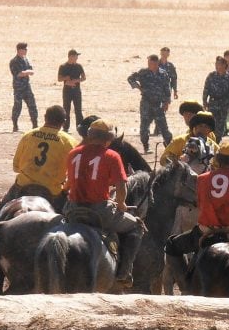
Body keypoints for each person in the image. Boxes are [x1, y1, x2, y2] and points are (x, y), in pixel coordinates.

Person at [164, 140, 229, 278]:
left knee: (172, 245)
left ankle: (184, 284)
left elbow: (198, 202)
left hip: (204, 232)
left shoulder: (201, 180)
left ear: (218, 161)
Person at [64, 119, 143, 288]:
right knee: (136, 226)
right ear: (109, 139)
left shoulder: (73, 153)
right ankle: (124, 272)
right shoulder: (112, 156)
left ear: (89, 136)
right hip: (99, 211)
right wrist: (120, 204)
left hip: (72, 209)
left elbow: (69, 184)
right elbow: (121, 186)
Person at [128, 54, 173, 153]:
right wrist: (139, 87)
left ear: (156, 63)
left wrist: (167, 102)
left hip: (158, 104)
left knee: (163, 126)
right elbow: (130, 79)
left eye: (152, 63)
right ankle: (146, 146)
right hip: (146, 103)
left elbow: (167, 88)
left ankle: (169, 147)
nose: (150, 65)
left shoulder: (163, 74)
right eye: (149, 63)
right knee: (144, 126)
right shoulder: (143, 72)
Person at [202, 56, 229, 138]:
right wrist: (204, 102)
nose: (217, 66)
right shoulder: (211, 75)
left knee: (220, 128)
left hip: (223, 106)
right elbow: (206, 89)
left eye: (219, 64)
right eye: (216, 64)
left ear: (224, 65)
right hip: (212, 104)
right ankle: (209, 144)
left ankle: (217, 143)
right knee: (210, 125)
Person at [9, 42, 39, 132]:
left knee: (32, 105)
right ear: (19, 50)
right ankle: (15, 125)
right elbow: (18, 74)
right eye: (24, 49)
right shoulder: (14, 61)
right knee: (18, 106)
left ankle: (35, 124)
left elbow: (31, 71)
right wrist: (26, 72)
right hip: (18, 87)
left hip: (26, 86)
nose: (26, 51)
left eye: (26, 49)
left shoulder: (25, 59)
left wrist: (26, 72)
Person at [57, 48, 86, 132]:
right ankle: (65, 127)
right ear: (71, 56)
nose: (77, 57)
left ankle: (80, 127)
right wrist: (66, 79)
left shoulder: (79, 66)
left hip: (76, 90)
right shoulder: (63, 66)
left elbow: (84, 78)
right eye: (76, 56)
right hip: (67, 91)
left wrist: (76, 80)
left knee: (78, 109)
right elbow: (59, 79)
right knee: (66, 109)